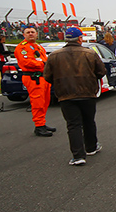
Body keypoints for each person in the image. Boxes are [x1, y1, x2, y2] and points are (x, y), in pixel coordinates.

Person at [43, 27, 106, 165]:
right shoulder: (89, 53)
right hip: (88, 93)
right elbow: (101, 71)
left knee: (73, 125)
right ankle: (91, 147)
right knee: (89, 121)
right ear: (80, 39)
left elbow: (47, 76)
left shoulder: (54, 55)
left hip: (66, 95)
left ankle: (78, 155)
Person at [14, 26, 55, 136]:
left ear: (37, 34)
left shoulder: (38, 47)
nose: (31, 34)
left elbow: (45, 59)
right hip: (33, 78)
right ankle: (39, 125)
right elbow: (27, 62)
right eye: (28, 32)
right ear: (24, 35)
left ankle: (42, 122)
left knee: (45, 101)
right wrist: (44, 65)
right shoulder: (22, 48)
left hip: (43, 77)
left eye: (33, 32)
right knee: (38, 102)